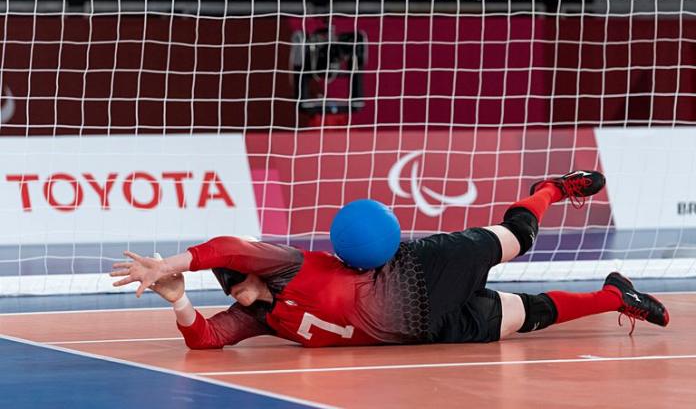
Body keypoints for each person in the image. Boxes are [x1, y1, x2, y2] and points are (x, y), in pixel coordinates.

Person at [110, 170, 669, 349]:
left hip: (419, 270)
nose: (230, 287)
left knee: (518, 238)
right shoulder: (258, 318)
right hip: (429, 328)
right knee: (529, 314)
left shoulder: (284, 264)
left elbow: (227, 247)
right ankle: (617, 296)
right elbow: (205, 340)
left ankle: (549, 189)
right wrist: (178, 297)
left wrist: (171, 262)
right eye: (227, 284)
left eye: (231, 279)